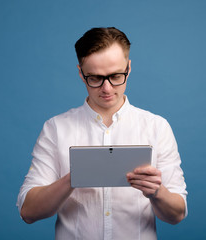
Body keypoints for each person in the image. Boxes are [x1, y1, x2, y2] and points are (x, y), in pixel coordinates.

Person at [17, 27, 187, 239]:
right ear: (81, 73)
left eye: (116, 76)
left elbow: (177, 214)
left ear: (129, 68)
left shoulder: (157, 127)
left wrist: (157, 192)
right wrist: (73, 178)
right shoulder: (55, 129)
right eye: (95, 78)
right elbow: (28, 212)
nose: (107, 88)